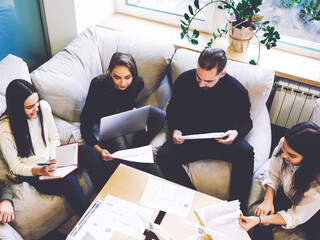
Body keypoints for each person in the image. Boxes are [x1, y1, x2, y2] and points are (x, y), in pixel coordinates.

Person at [156, 48, 254, 209]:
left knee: (246, 152)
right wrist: (175, 129)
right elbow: (172, 110)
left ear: (222, 74)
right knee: (164, 155)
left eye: (208, 81)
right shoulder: (184, 80)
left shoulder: (237, 91)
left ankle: (235, 208)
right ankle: (194, 201)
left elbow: (246, 123)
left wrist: (235, 133)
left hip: (220, 142)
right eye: (198, 77)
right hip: (189, 140)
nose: (201, 83)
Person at [0, 79, 108, 217]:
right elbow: (15, 167)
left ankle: (108, 196)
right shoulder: (4, 130)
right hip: (34, 172)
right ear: (17, 108)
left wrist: (55, 158)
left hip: (53, 159)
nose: (36, 108)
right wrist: (39, 170)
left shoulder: (43, 107)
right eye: (30, 107)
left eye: (36, 102)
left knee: (89, 152)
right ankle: (92, 219)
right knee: (69, 181)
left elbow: (54, 138)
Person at [80, 52, 166, 168]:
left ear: (133, 74)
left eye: (127, 77)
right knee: (127, 162)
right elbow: (85, 123)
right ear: (110, 72)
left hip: (124, 116)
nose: (123, 83)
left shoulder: (138, 83)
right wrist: (99, 150)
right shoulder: (98, 85)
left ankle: (136, 148)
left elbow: (128, 102)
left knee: (159, 115)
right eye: (117, 77)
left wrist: (136, 114)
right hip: (107, 124)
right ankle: (131, 166)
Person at [238, 122, 320, 240]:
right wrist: (268, 200)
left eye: (291, 155)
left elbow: (296, 216)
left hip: (313, 213)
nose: (284, 155)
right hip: (290, 195)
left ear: (309, 159)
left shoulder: (316, 185)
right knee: (261, 217)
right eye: (284, 149)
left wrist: (261, 219)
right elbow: (273, 173)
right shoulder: (286, 143)